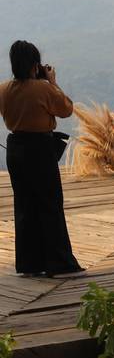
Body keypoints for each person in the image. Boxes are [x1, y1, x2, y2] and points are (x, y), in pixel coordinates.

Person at [0, 41, 84, 277]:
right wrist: (52, 82)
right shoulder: (43, 89)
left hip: (15, 149)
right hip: (40, 149)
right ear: (35, 65)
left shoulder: (4, 89)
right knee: (49, 203)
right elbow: (66, 109)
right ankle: (59, 263)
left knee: (25, 205)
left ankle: (29, 263)